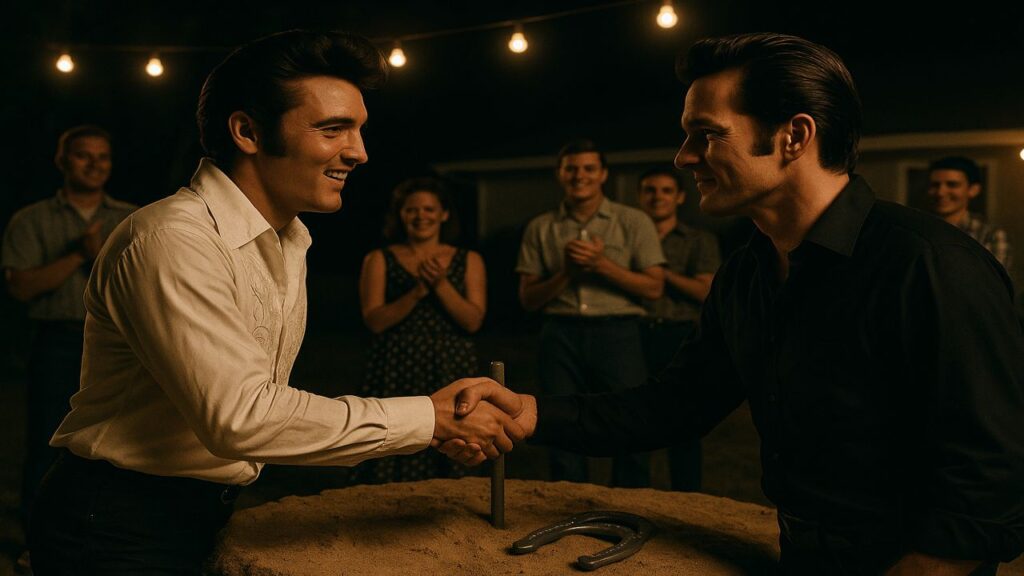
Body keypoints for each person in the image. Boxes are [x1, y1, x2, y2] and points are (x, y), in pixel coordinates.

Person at [448, 33, 1024, 575]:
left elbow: (989, 482)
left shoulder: (931, 265)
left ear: (793, 136)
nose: (683, 157)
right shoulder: (747, 273)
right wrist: (531, 411)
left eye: (706, 134)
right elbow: (676, 404)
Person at [28, 30, 522, 575]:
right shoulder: (173, 239)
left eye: (359, 130)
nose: (359, 152)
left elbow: (266, 407)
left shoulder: (289, 242)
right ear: (247, 131)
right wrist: (428, 419)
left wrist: (430, 425)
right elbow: (241, 418)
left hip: (198, 509)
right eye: (333, 129)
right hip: (116, 520)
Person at [1, 124, 136, 570]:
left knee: (115, 442)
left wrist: (98, 255)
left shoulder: (133, 219)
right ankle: (37, 543)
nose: (95, 165)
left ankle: (102, 535)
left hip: (123, 348)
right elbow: (22, 287)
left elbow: (140, 287)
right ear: (62, 162)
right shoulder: (32, 219)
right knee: (46, 441)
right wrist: (81, 254)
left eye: (104, 157)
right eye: (83, 156)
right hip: (59, 342)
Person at [516, 139, 665, 487]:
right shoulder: (541, 227)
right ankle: (568, 504)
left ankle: (631, 504)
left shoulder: (633, 221)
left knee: (630, 419)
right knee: (558, 421)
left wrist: (601, 265)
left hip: (618, 333)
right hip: (560, 333)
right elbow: (528, 299)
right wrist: (566, 272)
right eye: (571, 169)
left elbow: (653, 288)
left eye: (587, 169)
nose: (579, 175)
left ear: (603, 174)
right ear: (560, 174)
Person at [356, 177, 486, 483]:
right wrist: (416, 292)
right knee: (395, 438)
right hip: (395, 365)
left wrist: (440, 285)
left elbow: (473, 321)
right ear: (400, 215)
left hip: (450, 365)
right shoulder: (379, 259)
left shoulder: (468, 259)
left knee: (452, 438)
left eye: (429, 209)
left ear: (444, 214)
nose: (421, 216)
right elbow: (374, 320)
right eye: (412, 209)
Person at [635, 165, 720, 491]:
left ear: (680, 197)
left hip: (679, 334)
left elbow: (704, 290)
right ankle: (634, 493)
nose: (658, 197)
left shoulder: (699, 240)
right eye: (650, 190)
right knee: (635, 414)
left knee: (682, 417)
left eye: (666, 191)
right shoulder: (627, 238)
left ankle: (686, 495)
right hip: (634, 333)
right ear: (640, 196)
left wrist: (658, 273)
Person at [927, 155, 1012, 271]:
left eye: (952, 184)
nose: (940, 192)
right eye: (935, 185)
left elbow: (992, 284)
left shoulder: (990, 235)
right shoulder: (918, 230)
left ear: (973, 190)